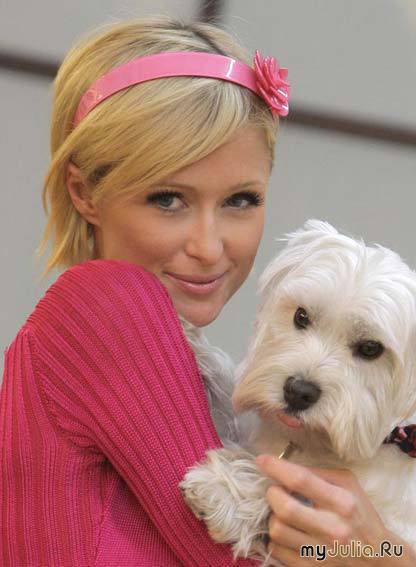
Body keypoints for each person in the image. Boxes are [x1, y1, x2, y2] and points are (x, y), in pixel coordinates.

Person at [0, 13, 414, 567]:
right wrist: (386, 555)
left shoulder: (199, 372)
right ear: (85, 192)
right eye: (167, 199)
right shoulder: (109, 304)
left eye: (240, 200)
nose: (208, 246)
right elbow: (229, 552)